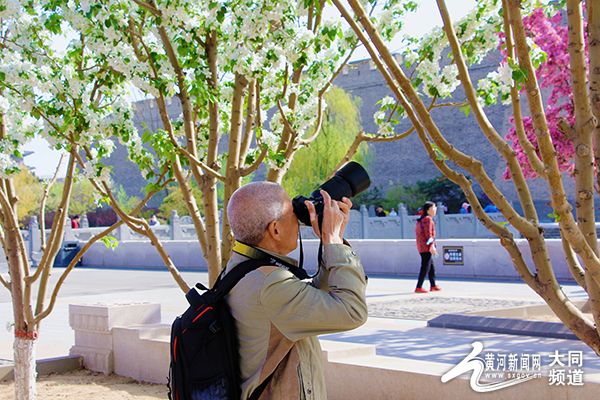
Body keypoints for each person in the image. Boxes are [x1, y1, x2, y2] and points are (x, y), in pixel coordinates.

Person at [225, 182, 368, 400]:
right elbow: (352, 312)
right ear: (275, 229)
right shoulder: (268, 285)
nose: (299, 220)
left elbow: (312, 300)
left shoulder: (243, 269)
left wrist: (334, 242)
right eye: (293, 212)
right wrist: (333, 242)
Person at [415, 201, 441, 293]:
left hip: (421, 246)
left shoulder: (421, 219)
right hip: (426, 247)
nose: (435, 210)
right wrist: (432, 245)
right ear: (428, 209)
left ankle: (433, 285)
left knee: (430, 265)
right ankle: (419, 287)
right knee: (425, 266)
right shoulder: (428, 219)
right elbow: (429, 235)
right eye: (434, 208)